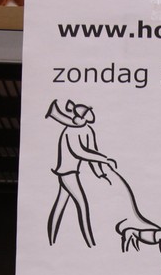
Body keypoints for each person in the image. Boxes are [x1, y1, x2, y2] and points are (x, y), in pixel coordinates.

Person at [45, 99, 116, 247]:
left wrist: (100, 173)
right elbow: (80, 152)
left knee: (60, 206)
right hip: (67, 173)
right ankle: (90, 243)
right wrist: (105, 159)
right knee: (82, 205)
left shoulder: (87, 130)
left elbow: (92, 151)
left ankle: (51, 241)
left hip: (71, 173)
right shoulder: (71, 130)